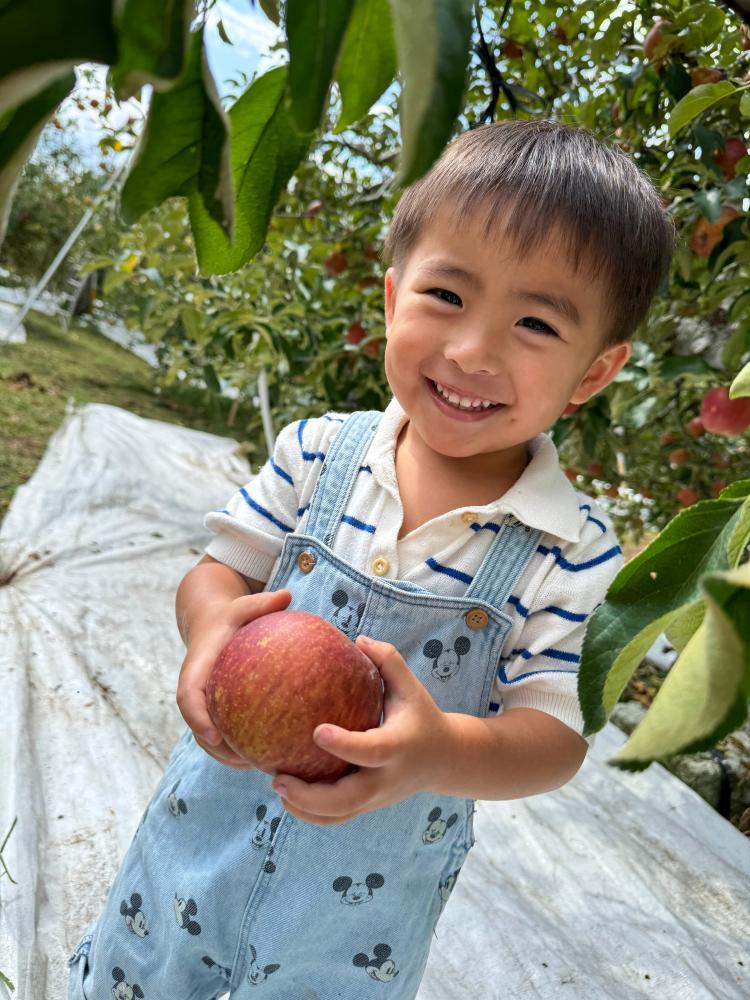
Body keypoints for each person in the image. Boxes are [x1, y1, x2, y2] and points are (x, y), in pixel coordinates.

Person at [68, 119, 676, 1000]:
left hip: (355, 917)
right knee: (144, 971)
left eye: (537, 322)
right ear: (392, 300)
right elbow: (220, 570)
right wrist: (208, 631)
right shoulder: (318, 454)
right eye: (447, 297)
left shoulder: (571, 554)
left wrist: (438, 753)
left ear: (593, 373)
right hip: (205, 828)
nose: (472, 351)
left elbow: (553, 738)